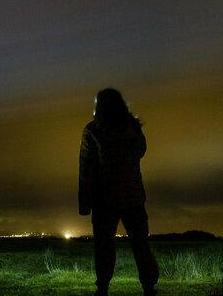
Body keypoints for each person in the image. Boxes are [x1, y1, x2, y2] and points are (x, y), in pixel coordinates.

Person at [79, 88, 159, 296]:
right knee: (141, 244)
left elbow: (86, 167)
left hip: (104, 198)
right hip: (133, 196)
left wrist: (85, 203)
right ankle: (149, 287)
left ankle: (103, 288)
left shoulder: (93, 130)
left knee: (104, 247)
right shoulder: (132, 128)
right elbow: (141, 151)